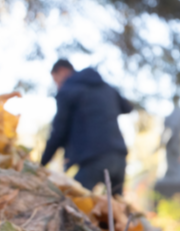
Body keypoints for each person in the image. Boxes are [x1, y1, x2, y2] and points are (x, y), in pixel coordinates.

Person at [41, 59, 134, 195]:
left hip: (93, 158)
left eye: (56, 80)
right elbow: (128, 107)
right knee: (115, 209)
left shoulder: (68, 90)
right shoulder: (106, 88)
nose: (57, 85)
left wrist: (42, 163)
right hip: (119, 155)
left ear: (62, 72)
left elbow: (59, 132)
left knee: (72, 203)